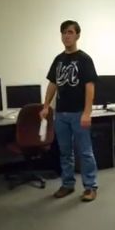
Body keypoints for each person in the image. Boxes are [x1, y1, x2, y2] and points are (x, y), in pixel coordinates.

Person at [40, 20, 98, 202]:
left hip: (78, 113)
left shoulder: (84, 59)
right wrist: (45, 106)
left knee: (85, 152)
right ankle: (67, 184)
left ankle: (90, 187)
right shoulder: (58, 59)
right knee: (65, 152)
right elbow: (53, 84)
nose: (66, 36)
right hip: (61, 115)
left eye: (70, 32)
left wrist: (87, 112)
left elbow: (90, 87)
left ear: (77, 35)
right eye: (64, 32)